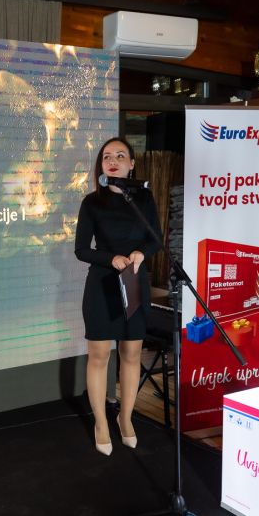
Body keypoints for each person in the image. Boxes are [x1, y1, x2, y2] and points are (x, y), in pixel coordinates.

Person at [74, 137, 162, 454]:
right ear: (101, 165)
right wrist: (110, 258)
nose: (112, 161)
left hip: (134, 282)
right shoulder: (91, 202)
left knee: (132, 353)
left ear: (132, 164)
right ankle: (101, 422)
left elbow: (156, 239)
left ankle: (125, 418)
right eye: (107, 156)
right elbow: (81, 249)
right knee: (99, 356)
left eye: (120, 156)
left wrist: (140, 253)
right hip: (102, 285)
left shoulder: (143, 198)